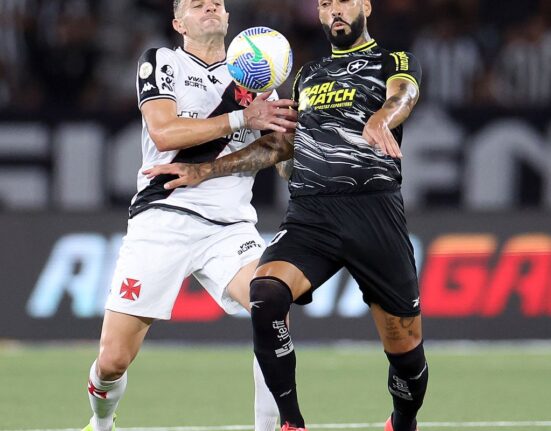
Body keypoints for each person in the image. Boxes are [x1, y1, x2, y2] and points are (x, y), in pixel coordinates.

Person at [144, 1, 428, 431]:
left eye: (344, 1)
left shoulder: (393, 60)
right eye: (325, 4)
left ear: (365, 6)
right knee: (265, 293)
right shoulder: (307, 77)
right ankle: (291, 423)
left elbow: (404, 94)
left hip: (374, 210)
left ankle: (402, 422)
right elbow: (280, 148)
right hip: (311, 215)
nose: (335, 10)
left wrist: (382, 119)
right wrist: (204, 169)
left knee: (405, 347)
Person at [82, 1, 298, 430]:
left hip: (230, 227)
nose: (210, 6)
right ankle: (101, 424)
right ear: (179, 23)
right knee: (112, 361)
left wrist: (286, 143)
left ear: (228, 19)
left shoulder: (258, 79)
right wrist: (242, 116)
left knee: (272, 304)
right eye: (197, 3)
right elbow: (164, 132)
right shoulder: (162, 62)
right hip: (163, 216)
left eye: (216, 2)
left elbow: (277, 153)